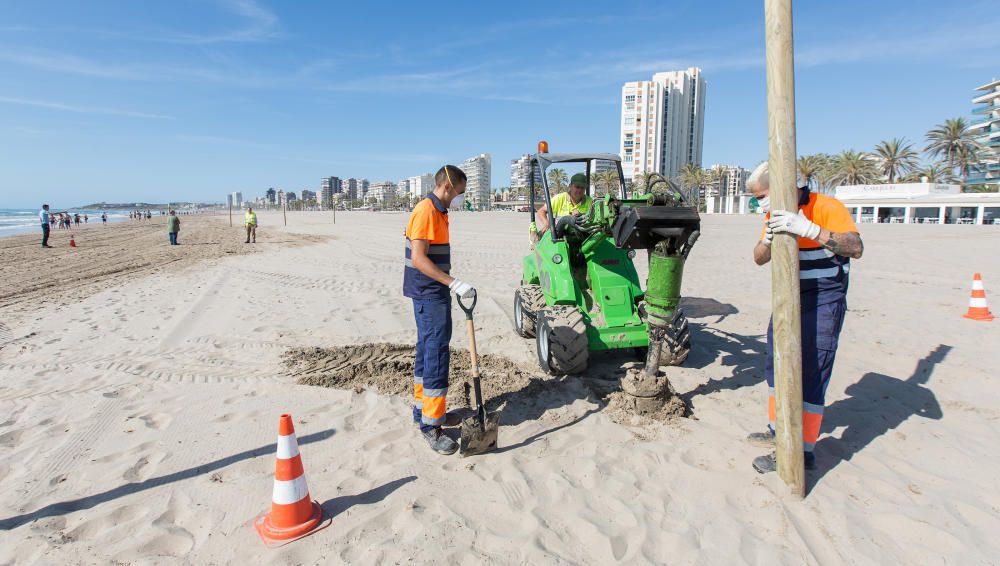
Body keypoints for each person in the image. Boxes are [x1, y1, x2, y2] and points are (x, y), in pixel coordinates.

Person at [746, 162, 864, 473]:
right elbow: (758, 258)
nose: (761, 203)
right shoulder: (774, 216)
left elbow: (855, 246)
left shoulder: (826, 207)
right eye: (757, 198)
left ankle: (800, 450)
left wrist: (810, 230)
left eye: (763, 195)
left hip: (824, 299)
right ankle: (777, 431)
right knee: (776, 364)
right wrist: (769, 239)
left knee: (812, 372)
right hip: (789, 297)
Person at [404, 164, 476, 455]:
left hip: (434, 291)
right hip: (428, 293)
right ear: (448, 186)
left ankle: (423, 410)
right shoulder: (425, 210)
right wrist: (453, 282)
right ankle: (431, 426)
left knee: (427, 349)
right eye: (460, 192)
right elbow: (420, 259)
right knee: (435, 353)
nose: (460, 198)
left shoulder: (440, 211)